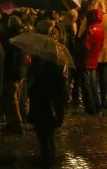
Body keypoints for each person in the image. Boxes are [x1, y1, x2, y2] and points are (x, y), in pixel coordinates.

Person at [25, 37, 67, 167]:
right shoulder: (60, 69)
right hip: (54, 108)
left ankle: (47, 161)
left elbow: (34, 90)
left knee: (44, 137)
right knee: (49, 136)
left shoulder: (42, 70)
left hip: (43, 108)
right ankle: (50, 159)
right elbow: (62, 92)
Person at [79, 0, 107, 107]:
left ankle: (93, 100)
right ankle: (103, 98)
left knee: (92, 78)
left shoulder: (89, 18)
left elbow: (80, 34)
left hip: (92, 52)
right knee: (104, 76)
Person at [75, 9, 104, 115]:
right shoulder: (101, 29)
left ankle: (90, 108)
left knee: (86, 85)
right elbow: (101, 46)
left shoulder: (89, 29)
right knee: (93, 84)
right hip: (94, 60)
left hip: (86, 61)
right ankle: (97, 106)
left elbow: (85, 46)